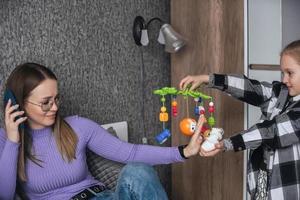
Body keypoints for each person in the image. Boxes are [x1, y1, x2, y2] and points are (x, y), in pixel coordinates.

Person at [0, 63, 206, 200]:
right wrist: (12, 140)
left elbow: (130, 152)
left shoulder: (77, 127)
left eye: (56, 99)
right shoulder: (6, 142)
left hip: (103, 196)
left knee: (137, 170)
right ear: (17, 104)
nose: (54, 108)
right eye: (45, 103)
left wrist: (183, 152)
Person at [179, 40, 300, 200]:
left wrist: (227, 144)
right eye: (282, 73)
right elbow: (251, 88)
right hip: (262, 181)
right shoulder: (281, 92)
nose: (284, 79)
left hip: (285, 190)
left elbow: (270, 131)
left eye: (290, 73)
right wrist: (208, 79)